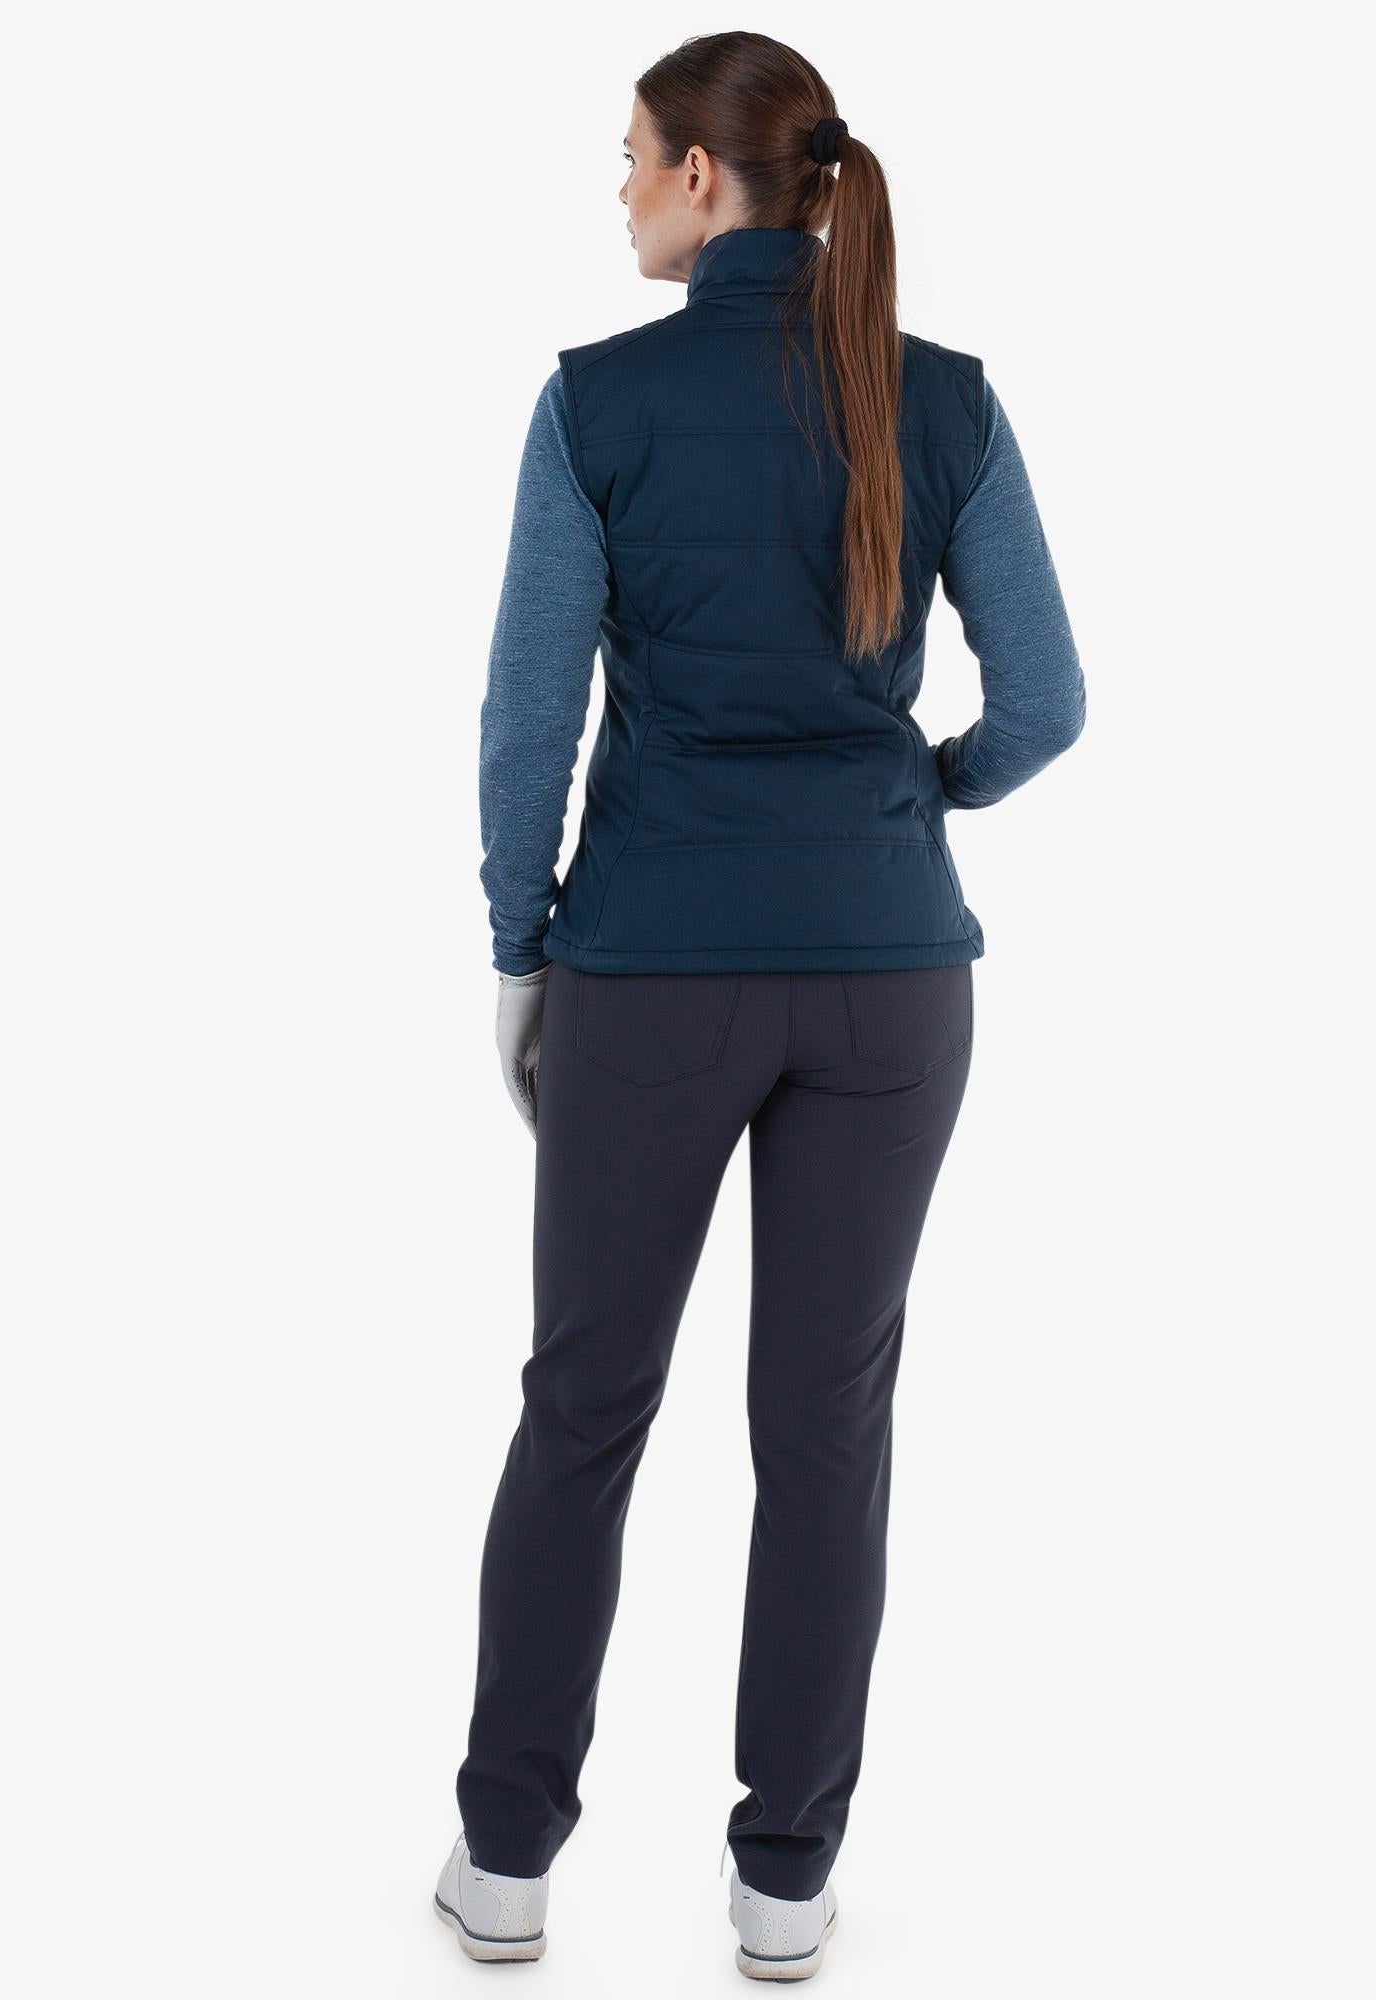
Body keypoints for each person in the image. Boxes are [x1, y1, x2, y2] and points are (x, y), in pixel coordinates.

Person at [434, 31, 1085, 1982]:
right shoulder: (944, 398)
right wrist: (915, 800)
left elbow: (527, 724)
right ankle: (786, 1885)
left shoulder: (596, 402)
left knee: (583, 1410)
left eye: (633, 158)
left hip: (648, 977)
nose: (622, 191)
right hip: (891, 987)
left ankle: (506, 1865)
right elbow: (1046, 706)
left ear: (706, 180)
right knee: (826, 1435)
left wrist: (520, 947)